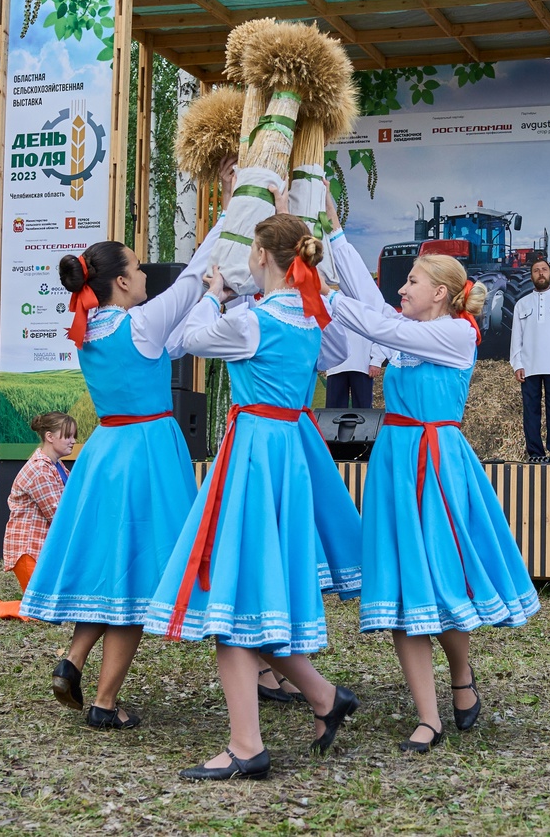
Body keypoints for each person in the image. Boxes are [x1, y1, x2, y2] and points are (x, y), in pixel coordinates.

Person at [144, 213, 362, 781]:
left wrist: (213, 295)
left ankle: (248, 746)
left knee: (231, 598)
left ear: (263, 257)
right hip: (288, 449)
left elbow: (185, 341)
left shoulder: (253, 321)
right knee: (249, 594)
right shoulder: (310, 318)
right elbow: (334, 356)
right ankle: (321, 697)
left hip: (251, 456)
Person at [324, 208, 540, 753]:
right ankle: (429, 715)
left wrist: (318, 292)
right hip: (396, 462)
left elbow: (373, 321)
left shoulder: (452, 336)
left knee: (441, 577)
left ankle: (462, 679)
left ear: (441, 294)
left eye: (413, 281)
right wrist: (333, 233)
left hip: (435, 463)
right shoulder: (412, 333)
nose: (402, 286)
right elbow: (370, 304)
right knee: (404, 587)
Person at [19, 217, 221, 731]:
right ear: (123, 282)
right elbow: (194, 277)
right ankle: (105, 704)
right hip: (145, 454)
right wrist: (231, 216)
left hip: (105, 452)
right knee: (135, 579)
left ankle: (75, 658)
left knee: (112, 567)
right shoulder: (140, 323)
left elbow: (171, 343)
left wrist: (212, 303)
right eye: (137, 265)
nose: (146, 272)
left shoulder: (92, 333)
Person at [0, 412, 77, 621]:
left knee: (60, 609)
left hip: (44, 551)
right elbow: (58, 515)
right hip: (30, 551)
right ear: (49, 436)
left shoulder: (57, 467)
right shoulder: (39, 469)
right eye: (67, 436)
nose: (73, 441)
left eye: (73, 436)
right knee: (43, 612)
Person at [510, 256, 550, 464]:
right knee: (531, 412)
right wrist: (517, 364)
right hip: (528, 366)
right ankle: (535, 454)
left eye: (544, 270)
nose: (540, 273)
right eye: (536, 270)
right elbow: (516, 337)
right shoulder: (521, 304)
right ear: (531, 276)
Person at [324, 330, 385, 409]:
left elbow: (378, 333)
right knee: (334, 410)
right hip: (335, 365)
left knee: (363, 410)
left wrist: (376, 360)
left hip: (362, 364)